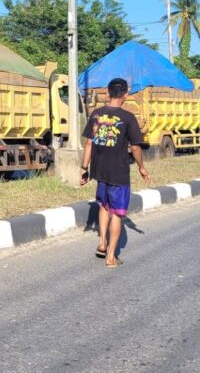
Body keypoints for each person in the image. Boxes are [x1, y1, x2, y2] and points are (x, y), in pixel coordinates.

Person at [80, 78, 150, 268]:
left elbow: (88, 143)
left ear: (108, 93)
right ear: (125, 95)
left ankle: (102, 243)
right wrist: (142, 168)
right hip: (119, 173)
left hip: (99, 170)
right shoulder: (128, 118)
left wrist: (84, 169)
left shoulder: (96, 114)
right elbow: (135, 148)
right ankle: (111, 257)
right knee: (117, 214)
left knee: (104, 206)